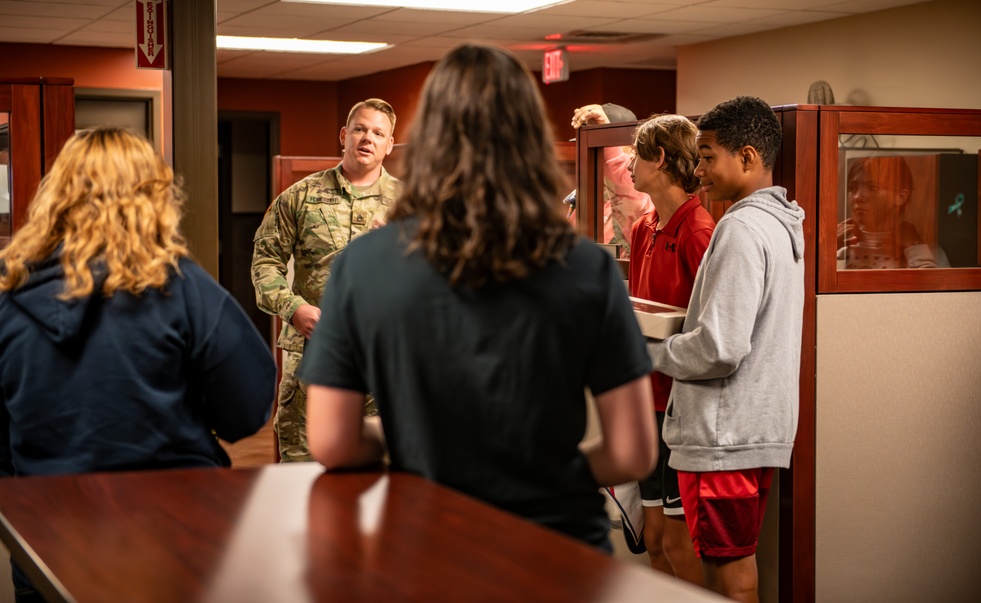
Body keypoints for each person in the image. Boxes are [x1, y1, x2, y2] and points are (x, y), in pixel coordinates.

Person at [300, 43, 658, 551]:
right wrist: (535, 469)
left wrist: (417, 444)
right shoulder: (586, 267)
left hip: (424, 546)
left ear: (427, 139)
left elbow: (332, 442)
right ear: (530, 138)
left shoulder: (364, 266)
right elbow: (631, 451)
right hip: (558, 552)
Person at [0, 127, 275, 602]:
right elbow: (248, 412)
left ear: (57, 195)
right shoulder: (185, 287)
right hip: (177, 539)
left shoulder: (8, 301)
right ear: (153, 195)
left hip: (49, 548)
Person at [646, 96, 805, 603]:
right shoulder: (780, 223)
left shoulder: (739, 228)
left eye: (709, 155)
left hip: (723, 439)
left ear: (749, 157)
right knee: (733, 569)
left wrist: (646, 353)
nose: (700, 170)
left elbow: (719, 348)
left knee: (727, 579)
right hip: (752, 432)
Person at [251, 98, 400, 462]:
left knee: (386, 475)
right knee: (301, 468)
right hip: (311, 353)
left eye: (378, 133)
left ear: (390, 144)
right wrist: (293, 308)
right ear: (343, 135)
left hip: (384, 356)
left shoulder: (409, 204)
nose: (367, 139)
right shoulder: (300, 196)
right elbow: (264, 264)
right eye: (360, 129)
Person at [627, 114, 715, 584]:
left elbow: (712, 331)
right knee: (655, 537)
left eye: (636, 156)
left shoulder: (698, 231)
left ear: (659, 159)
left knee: (681, 544)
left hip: (681, 408)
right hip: (645, 401)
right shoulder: (644, 227)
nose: (628, 168)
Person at [569, 103, 651, 257]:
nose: (592, 156)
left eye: (600, 150)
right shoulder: (587, 193)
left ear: (632, 150)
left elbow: (620, 172)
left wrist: (605, 137)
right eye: (586, 148)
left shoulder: (641, 189)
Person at [837, 155, 938, 269]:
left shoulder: (913, 245)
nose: (857, 197)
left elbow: (929, 283)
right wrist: (827, 247)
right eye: (852, 188)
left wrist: (914, 245)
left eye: (872, 187)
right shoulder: (843, 242)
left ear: (901, 197)